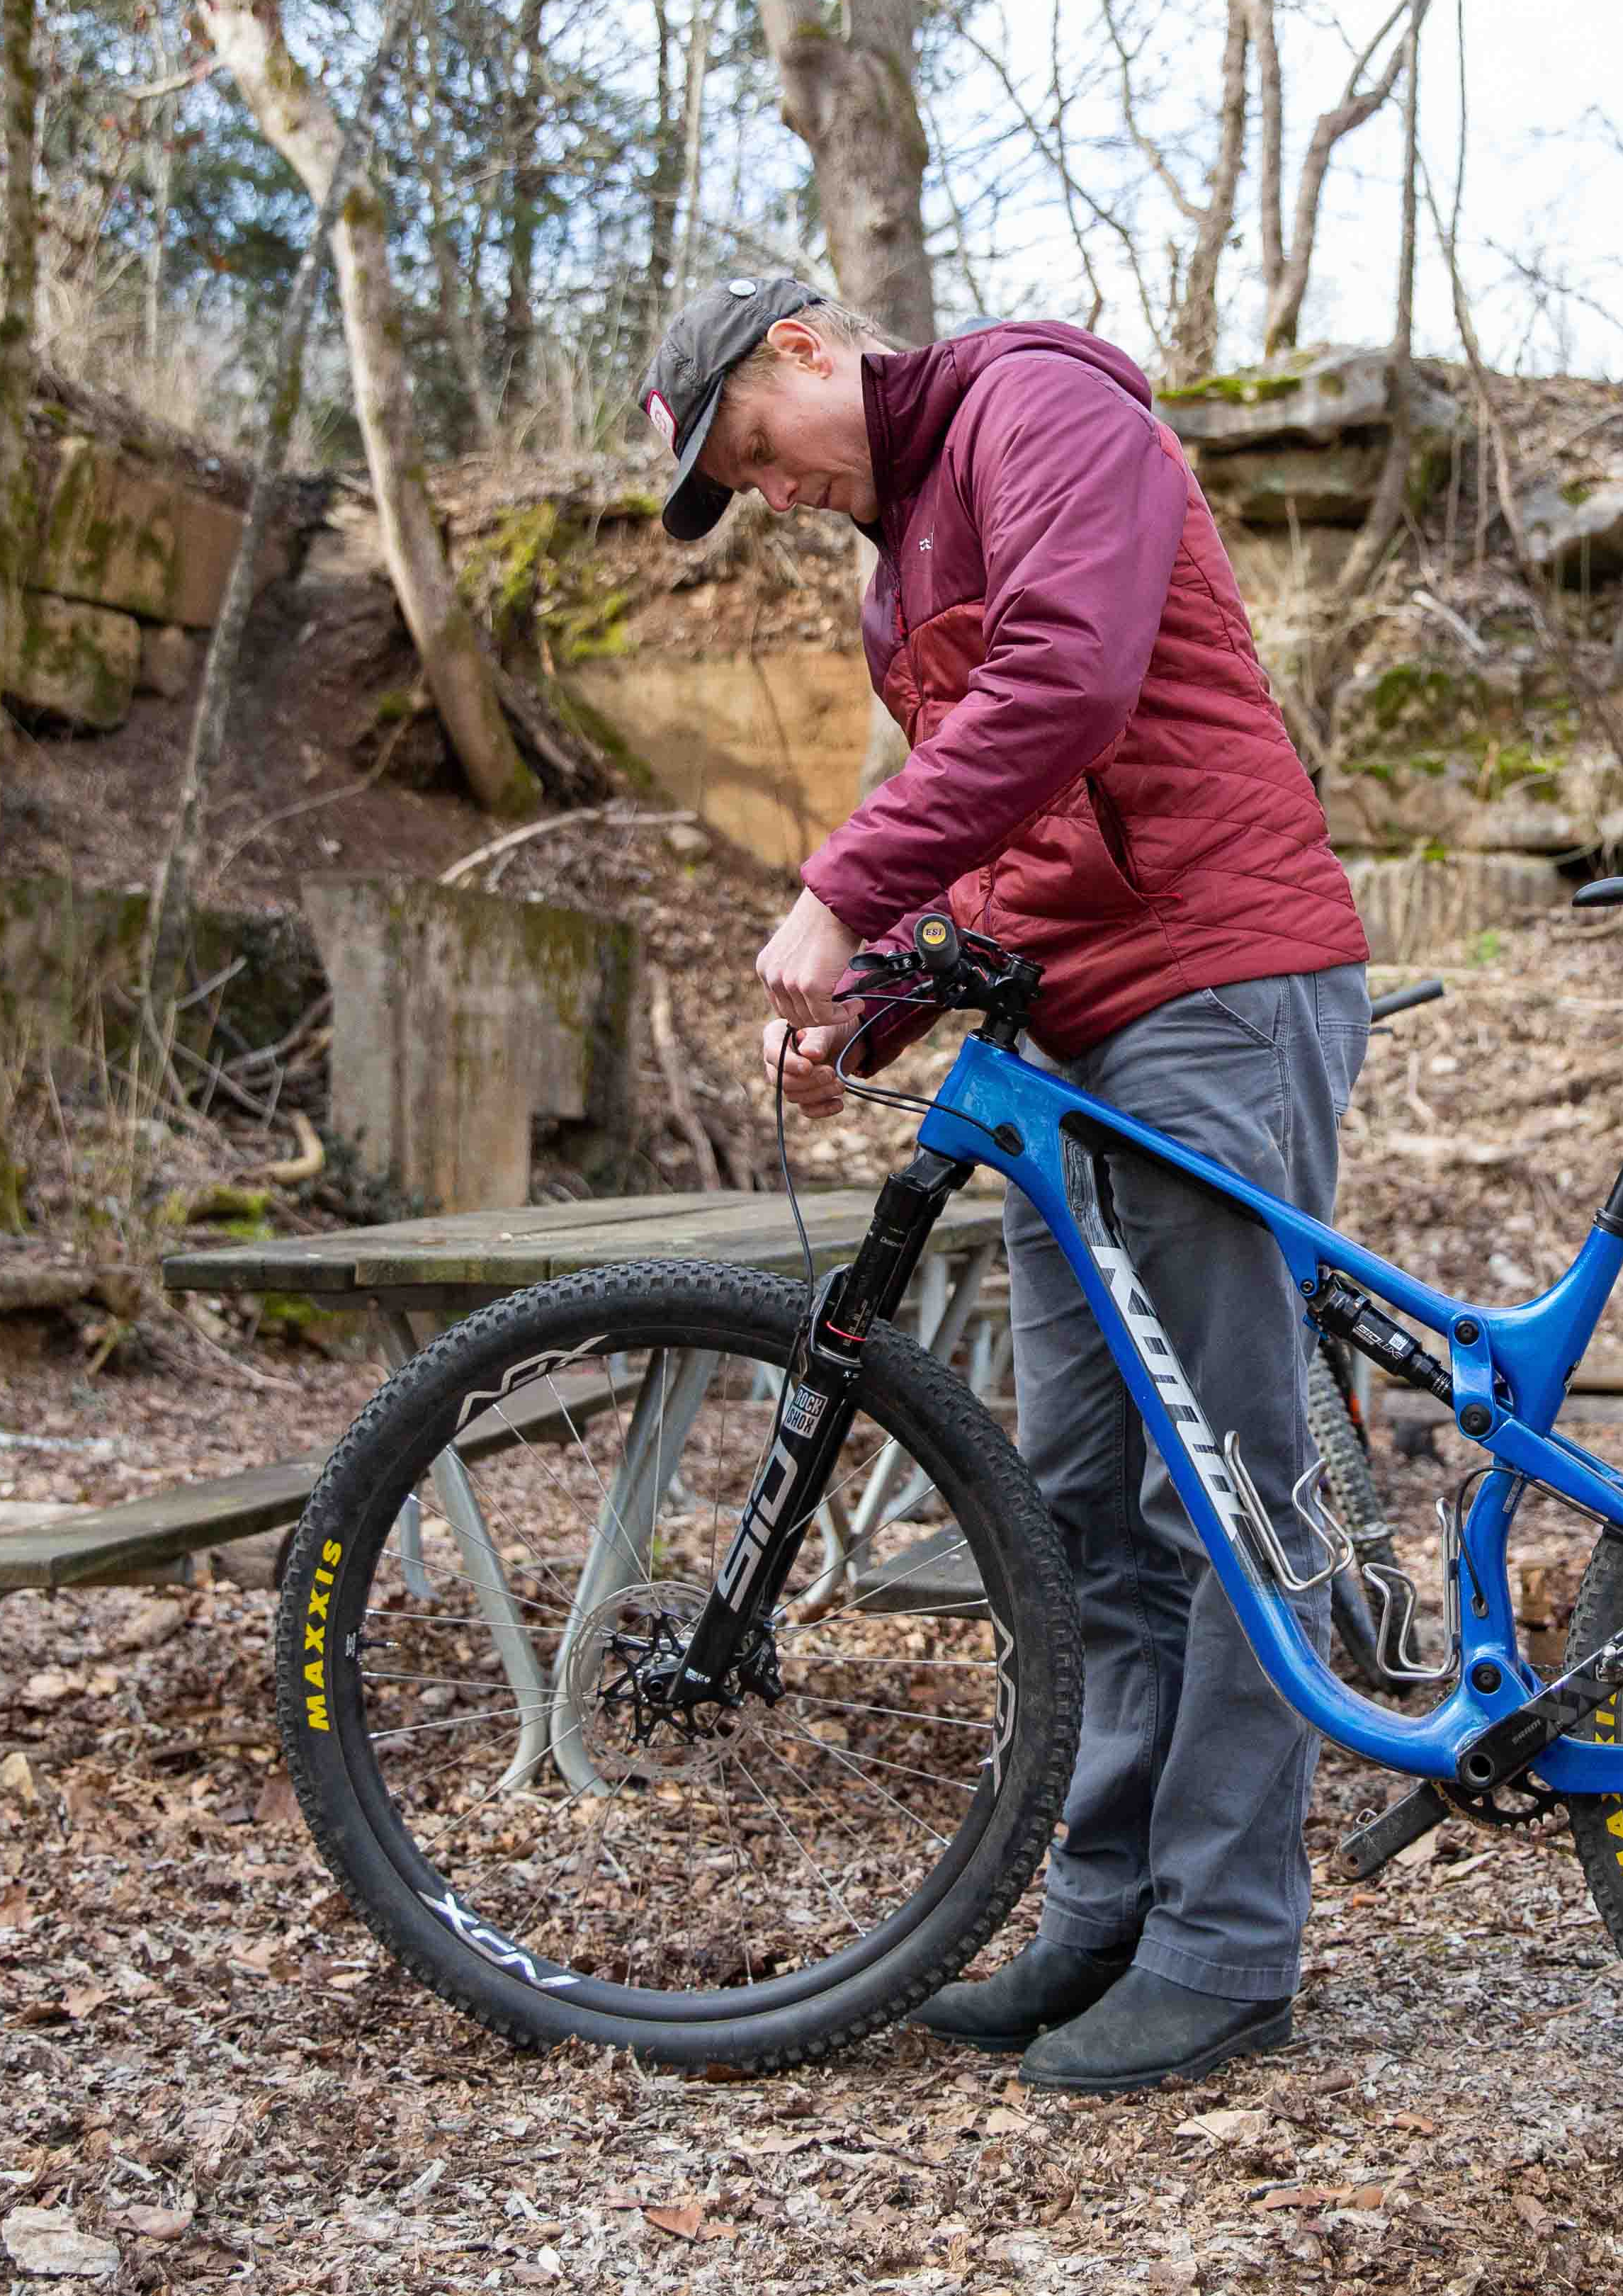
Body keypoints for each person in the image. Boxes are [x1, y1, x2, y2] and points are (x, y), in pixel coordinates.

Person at [637, 275, 1372, 2093]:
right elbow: (1026, 837)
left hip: (1211, 984)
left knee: (1222, 1486)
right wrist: (870, 1007)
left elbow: (1068, 677)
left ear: (806, 347)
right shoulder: (901, 567)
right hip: (1065, 1034)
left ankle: (1226, 1948)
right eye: (737, 485)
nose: (773, 490)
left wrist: (839, 885)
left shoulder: (1039, 411)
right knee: (1078, 1502)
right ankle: (1106, 1911)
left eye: (754, 449)